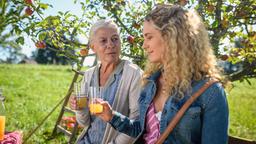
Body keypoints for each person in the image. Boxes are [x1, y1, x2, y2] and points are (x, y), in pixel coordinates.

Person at [95, 4, 229, 144]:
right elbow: (142, 131)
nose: (144, 45)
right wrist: (111, 116)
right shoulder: (150, 83)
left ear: (171, 37)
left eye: (149, 37)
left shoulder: (210, 92)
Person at [69, 19, 143, 144]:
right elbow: (84, 123)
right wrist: (79, 109)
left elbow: (136, 124)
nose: (111, 44)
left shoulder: (133, 74)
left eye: (115, 39)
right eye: (103, 41)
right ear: (93, 47)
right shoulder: (89, 75)